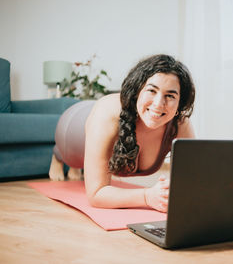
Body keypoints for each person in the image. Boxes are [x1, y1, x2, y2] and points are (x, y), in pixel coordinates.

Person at [49, 54, 196, 212]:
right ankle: (57, 155)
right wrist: (147, 196)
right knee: (72, 157)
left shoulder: (179, 124)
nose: (159, 104)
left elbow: (193, 178)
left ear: (180, 102)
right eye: (152, 91)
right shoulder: (106, 115)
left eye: (170, 95)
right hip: (72, 126)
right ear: (137, 90)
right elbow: (96, 194)